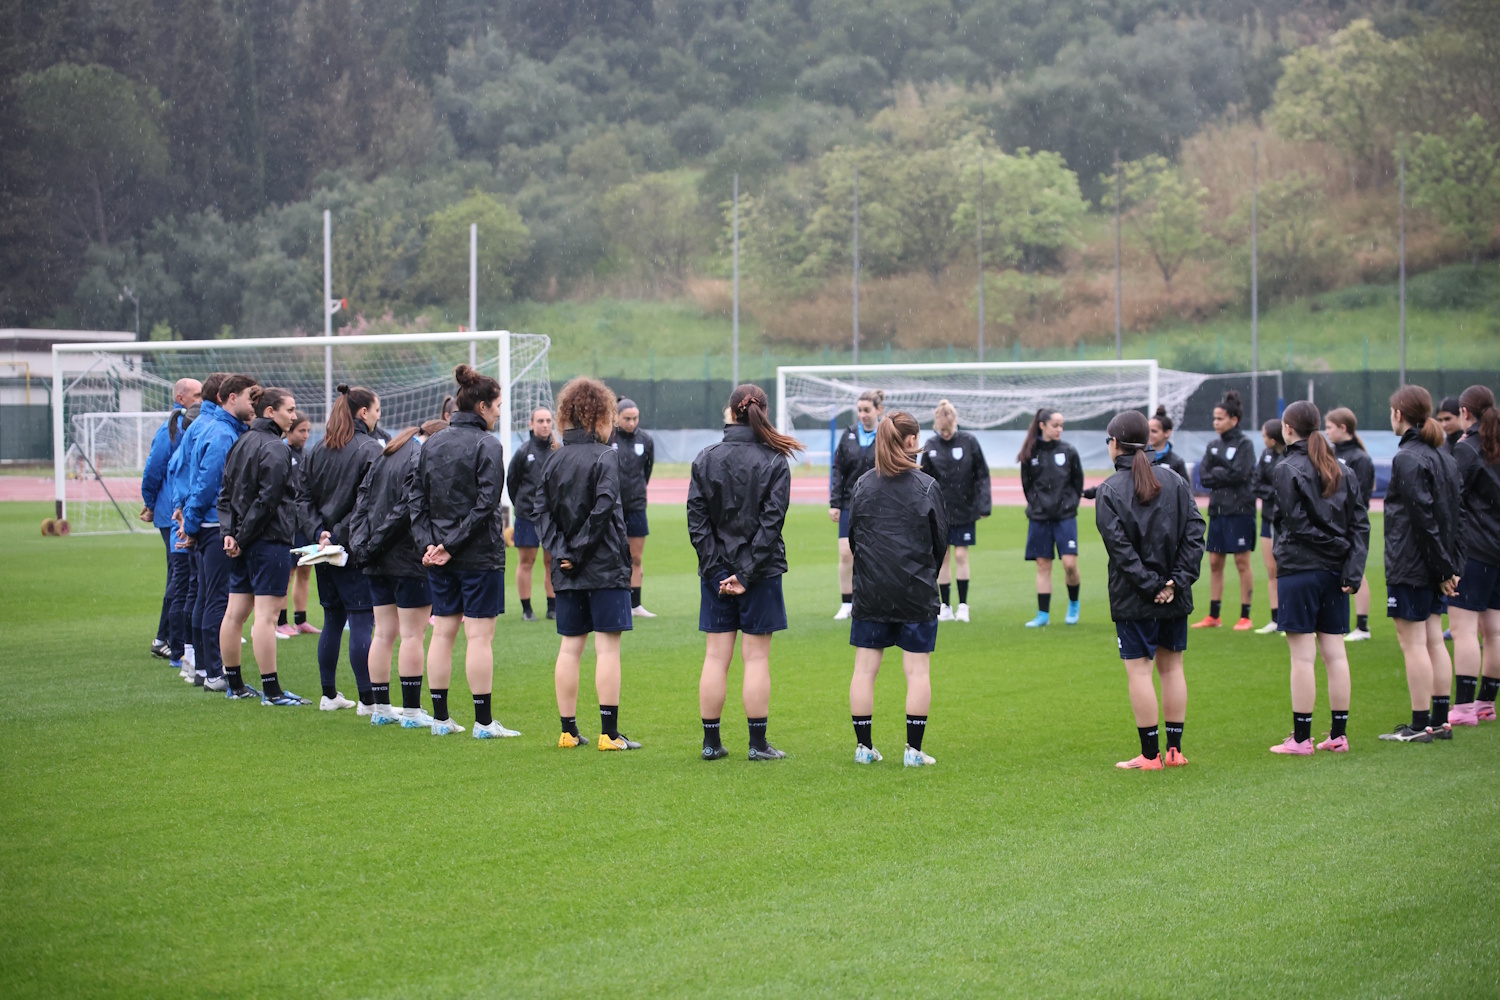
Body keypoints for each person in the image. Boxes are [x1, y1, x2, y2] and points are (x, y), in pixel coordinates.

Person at [688, 384, 799, 761]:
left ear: (730, 411)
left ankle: (711, 743)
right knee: (756, 659)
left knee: (715, 657)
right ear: (761, 412)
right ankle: (757, 744)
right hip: (760, 573)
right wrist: (746, 573)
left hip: (719, 574)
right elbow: (771, 524)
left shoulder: (706, 457)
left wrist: (717, 570)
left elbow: (697, 522)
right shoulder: (774, 460)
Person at [411, 365, 519, 739]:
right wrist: (447, 545)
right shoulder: (488, 444)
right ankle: (483, 723)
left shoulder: (432, 442)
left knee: (443, 633)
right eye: (498, 405)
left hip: (441, 554)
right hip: (477, 554)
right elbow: (487, 503)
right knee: (479, 637)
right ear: (483, 407)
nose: (499, 412)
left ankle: (441, 719)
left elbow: (416, 500)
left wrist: (430, 544)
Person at [1094, 410, 1205, 770]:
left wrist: (1157, 585)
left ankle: (1150, 754)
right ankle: (1174, 750)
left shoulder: (1110, 490)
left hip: (1135, 596)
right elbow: (1195, 534)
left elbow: (1120, 550)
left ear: (1115, 443)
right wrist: (1175, 582)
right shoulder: (1176, 480)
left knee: (1140, 672)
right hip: (1170, 593)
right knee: (1172, 669)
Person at [532, 377, 638, 751]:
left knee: (570, 647)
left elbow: (539, 511)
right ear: (601, 417)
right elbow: (604, 506)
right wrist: (576, 551)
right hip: (604, 565)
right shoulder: (607, 456)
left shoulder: (553, 458)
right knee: (607, 649)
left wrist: (563, 551)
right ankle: (609, 734)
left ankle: (568, 731)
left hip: (566, 568)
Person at [1266, 402, 1370, 755]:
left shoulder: (1287, 468)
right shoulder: (1342, 468)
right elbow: (1359, 526)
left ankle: (1301, 738)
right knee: (1335, 653)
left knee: (1303, 657)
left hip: (1300, 569)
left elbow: (1294, 523)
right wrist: (1350, 565)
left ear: (1288, 428)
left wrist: (1336, 549)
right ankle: (1338, 735)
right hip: (1333, 570)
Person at [846, 411, 946, 767]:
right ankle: (913, 751)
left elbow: (854, 538)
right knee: (917, 670)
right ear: (910, 441)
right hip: (915, 589)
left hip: (872, 589)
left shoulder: (863, 484)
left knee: (864, 669)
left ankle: (864, 747)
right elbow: (940, 542)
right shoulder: (927, 486)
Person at [350, 415, 450, 728]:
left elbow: (361, 503)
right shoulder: (418, 457)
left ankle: (381, 707)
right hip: (406, 558)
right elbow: (406, 509)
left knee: (383, 633)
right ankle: (411, 711)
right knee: (411, 634)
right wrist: (373, 545)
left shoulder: (387, 453)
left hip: (377, 558)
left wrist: (363, 544)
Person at [1380, 386, 1464, 744]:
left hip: (1413, 564)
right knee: (1433, 640)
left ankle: (1419, 726)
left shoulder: (1408, 458)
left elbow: (1423, 518)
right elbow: (1457, 517)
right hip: (1433, 564)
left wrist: (1444, 569)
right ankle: (1440, 721)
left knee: (1414, 643)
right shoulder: (1444, 456)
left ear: (1399, 414)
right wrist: (1450, 567)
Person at [218, 388, 310, 705]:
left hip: (242, 542)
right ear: (270, 412)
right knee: (267, 617)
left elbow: (225, 494)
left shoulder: (240, 441)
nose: (294, 416)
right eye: (290, 410)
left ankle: (235, 685)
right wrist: (241, 536)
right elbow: (268, 501)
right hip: (268, 541)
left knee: (235, 615)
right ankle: (272, 692)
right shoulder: (275, 448)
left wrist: (230, 534)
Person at [298, 384, 384, 714]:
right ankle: (367, 700)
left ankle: (329, 694)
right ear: (363, 412)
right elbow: (367, 503)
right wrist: (334, 535)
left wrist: (319, 533)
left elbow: (303, 499)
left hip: (325, 548)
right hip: (352, 548)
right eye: (376, 410)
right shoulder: (369, 448)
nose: (378, 417)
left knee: (333, 618)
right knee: (361, 619)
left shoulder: (317, 449)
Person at [177, 373, 257, 690]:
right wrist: (192, 524)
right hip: (214, 526)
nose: (254, 404)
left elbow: (188, 474)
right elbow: (208, 483)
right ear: (231, 398)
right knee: (216, 600)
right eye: (250, 397)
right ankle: (213, 672)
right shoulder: (222, 434)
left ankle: (201, 668)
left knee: (205, 597)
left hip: (208, 523)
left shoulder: (217, 428)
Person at [1447, 385, 1500, 727]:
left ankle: (1465, 707)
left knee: (1464, 629)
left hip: (1475, 548)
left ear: (1465, 412)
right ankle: (1486, 702)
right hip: (1496, 546)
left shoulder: (1466, 448)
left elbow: (1452, 497)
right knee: (1494, 630)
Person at [141, 377, 202, 664]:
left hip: (178, 511)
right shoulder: (172, 430)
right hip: (172, 513)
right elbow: (153, 468)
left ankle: (170, 637)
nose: (201, 399)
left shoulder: (192, 427)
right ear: (181, 398)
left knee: (181, 575)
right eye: (197, 395)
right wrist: (150, 503)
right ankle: (165, 639)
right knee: (180, 575)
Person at [167, 374, 222, 683]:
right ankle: (199, 663)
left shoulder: (197, 430)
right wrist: (186, 519)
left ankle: (193, 661)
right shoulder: (210, 429)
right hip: (204, 522)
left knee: (196, 591)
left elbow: (183, 477)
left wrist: (183, 512)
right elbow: (198, 481)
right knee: (198, 592)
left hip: (193, 520)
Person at [921, 399, 991, 623]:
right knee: (943, 557)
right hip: (940, 511)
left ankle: (963, 605)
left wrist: (984, 504)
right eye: (941, 430)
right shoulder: (931, 445)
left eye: (948, 429)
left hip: (965, 509)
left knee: (961, 555)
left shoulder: (969, 442)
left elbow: (982, 475)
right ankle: (945, 606)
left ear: (955, 422)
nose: (945, 434)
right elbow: (923, 480)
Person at [1192, 390, 1257, 631]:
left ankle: (1245, 615)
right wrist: (1224, 472)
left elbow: (1240, 474)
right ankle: (1214, 615)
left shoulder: (1245, 444)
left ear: (1234, 419)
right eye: (1214, 418)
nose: (1215, 423)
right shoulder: (1213, 445)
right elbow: (1204, 477)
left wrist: (1220, 472)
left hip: (1240, 510)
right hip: (1218, 509)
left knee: (1241, 561)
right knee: (1214, 562)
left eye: (1220, 418)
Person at [1018, 407, 1084, 627]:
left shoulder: (1069, 451)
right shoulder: (1030, 453)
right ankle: (1043, 615)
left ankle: (1073, 603)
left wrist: (1069, 504)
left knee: (1069, 564)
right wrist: (1037, 504)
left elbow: (1077, 482)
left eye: (1061, 426)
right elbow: (1027, 485)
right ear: (1042, 426)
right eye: (1055, 425)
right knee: (1043, 565)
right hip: (1039, 517)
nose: (1059, 429)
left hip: (1065, 516)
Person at [829, 389, 884, 620]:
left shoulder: (886, 435)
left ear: (879, 410)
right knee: (846, 553)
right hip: (849, 503)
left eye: (867, 410)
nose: (862, 414)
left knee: (875, 555)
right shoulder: (849, 434)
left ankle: (874, 600)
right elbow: (838, 469)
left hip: (878, 505)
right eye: (859, 410)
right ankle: (846, 603)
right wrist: (834, 502)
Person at [1324, 407, 1376, 641]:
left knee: (1356, 570)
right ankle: (1332, 623)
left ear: (1343, 428)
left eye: (1329, 427)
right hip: (1332, 524)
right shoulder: (1330, 454)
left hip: (1349, 524)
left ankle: (1362, 627)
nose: (1326, 432)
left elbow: (1360, 496)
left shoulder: (1360, 458)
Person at [507, 406, 557, 621]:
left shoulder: (558, 450)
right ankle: (527, 609)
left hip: (553, 517)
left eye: (548, 421)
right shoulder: (523, 452)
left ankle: (552, 607)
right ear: (531, 424)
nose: (545, 425)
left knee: (552, 561)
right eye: (540, 421)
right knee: (527, 561)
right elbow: (512, 482)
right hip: (527, 516)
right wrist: (522, 505)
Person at [612, 398, 657, 618]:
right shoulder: (609, 438)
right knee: (614, 556)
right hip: (612, 507)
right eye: (627, 419)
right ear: (616, 417)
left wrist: (636, 491)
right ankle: (613, 602)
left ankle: (635, 604)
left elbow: (646, 471)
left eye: (635, 418)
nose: (631, 423)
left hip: (637, 506)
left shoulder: (646, 440)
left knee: (635, 557)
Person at [275, 412, 317, 639]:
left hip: (305, 521)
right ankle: (280, 621)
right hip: (289, 522)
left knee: (305, 570)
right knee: (287, 573)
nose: (306, 435)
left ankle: (300, 620)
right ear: (289, 431)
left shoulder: (307, 455)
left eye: (308, 430)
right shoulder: (281, 452)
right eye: (302, 430)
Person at [1252, 419, 1287, 634]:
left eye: (1264, 435)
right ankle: (1276, 619)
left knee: (1287, 570)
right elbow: (1256, 484)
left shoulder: (1291, 456)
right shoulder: (1265, 455)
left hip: (1286, 522)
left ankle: (1291, 617)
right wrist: (1274, 493)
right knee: (1271, 569)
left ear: (1273, 440)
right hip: (1268, 518)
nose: (1262, 439)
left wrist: (1276, 493)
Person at [1148, 406, 1189, 482]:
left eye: (1154, 431)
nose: (1149, 434)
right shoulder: (1141, 457)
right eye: (1148, 430)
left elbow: (1185, 487)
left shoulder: (1176, 462)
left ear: (1167, 433)